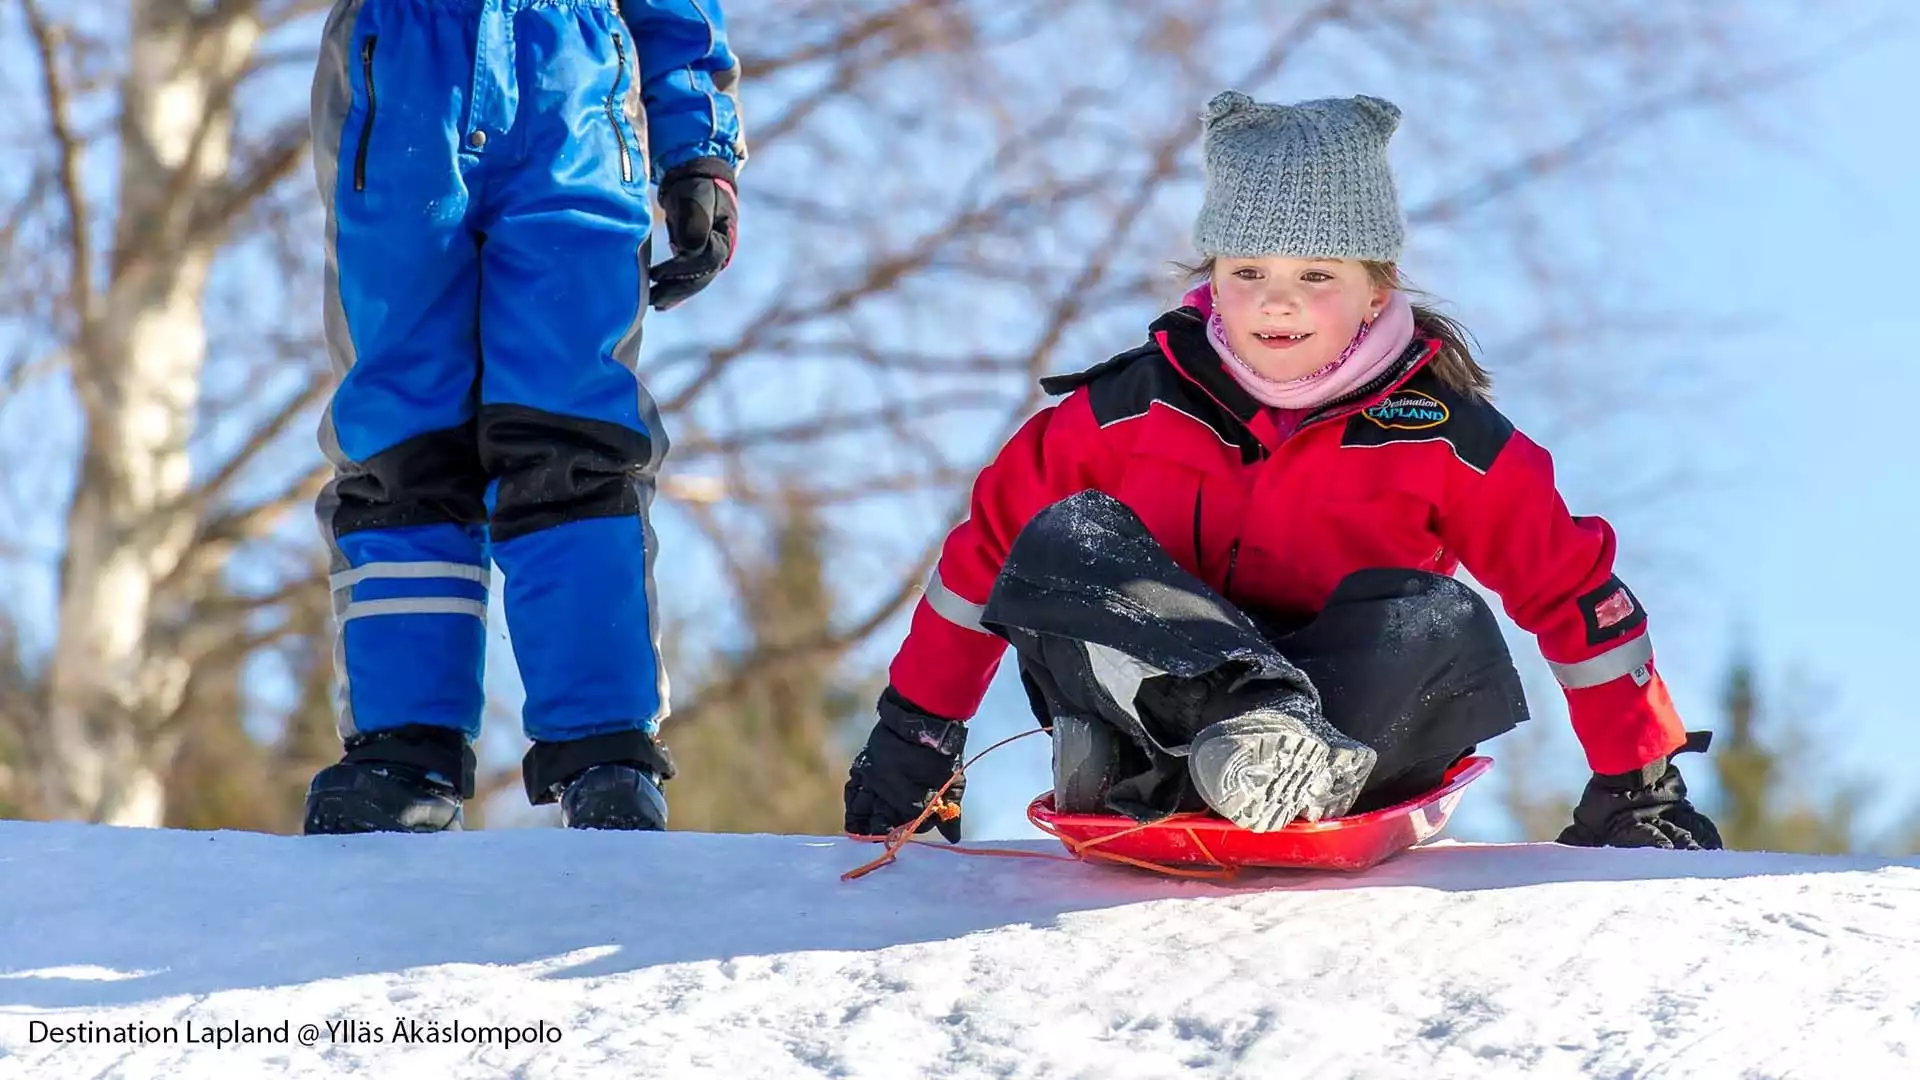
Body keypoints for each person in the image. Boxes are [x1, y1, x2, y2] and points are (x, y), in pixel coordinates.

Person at [842, 90, 1722, 852]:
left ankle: (1279, 757)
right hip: (1150, 704)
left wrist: (1638, 778)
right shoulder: (1125, 412)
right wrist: (918, 730)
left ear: (1378, 291)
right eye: (1248, 269)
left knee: (1438, 617)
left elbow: (1573, 592)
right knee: (1065, 538)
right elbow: (986, 557)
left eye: (1315, 274)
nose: (1277, 299)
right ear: (1211, 278)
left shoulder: (1445, 439)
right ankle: (1201, 743)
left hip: (1348, 728)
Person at [299, 0, 745, 834]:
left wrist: (699, 147)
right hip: (396, 68)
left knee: (574, 432)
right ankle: (405, 747)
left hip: (571, 81)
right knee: (401, 437)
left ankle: (605, 747)